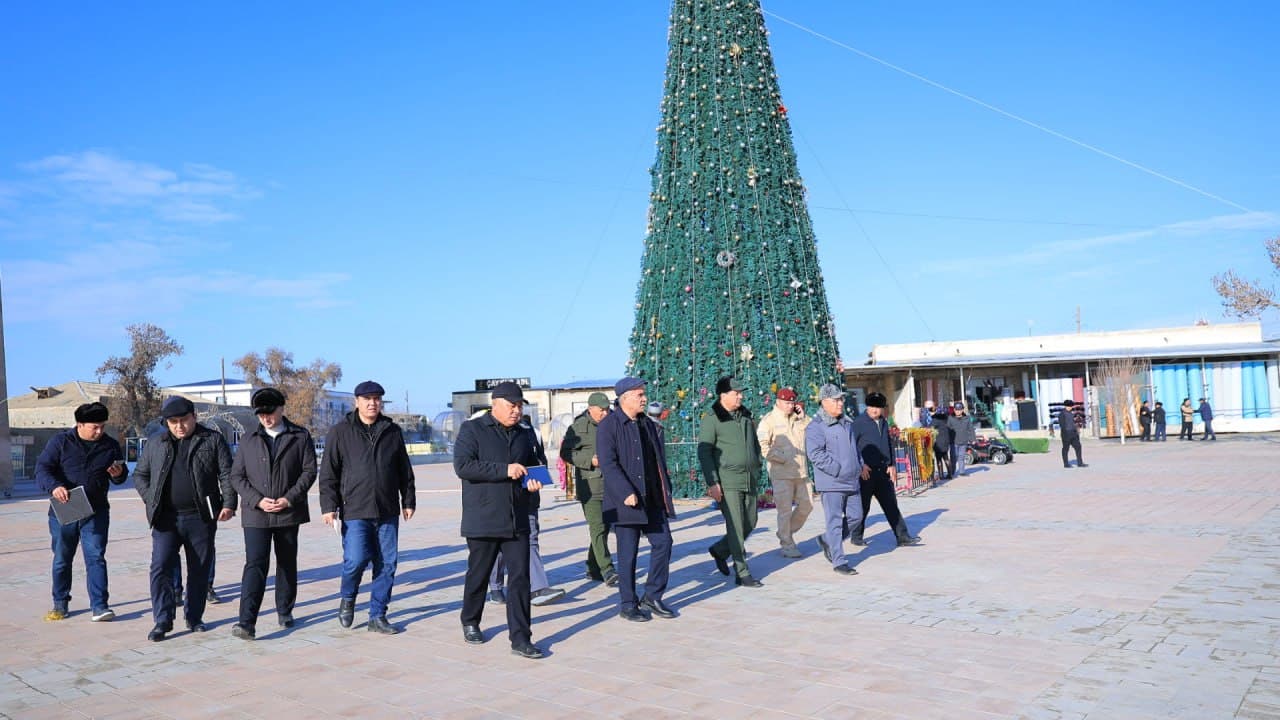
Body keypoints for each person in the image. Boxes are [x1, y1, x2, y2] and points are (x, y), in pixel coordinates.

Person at [453, 381, 547, 660]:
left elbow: (536, 465)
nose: (516, 411)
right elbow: (463, 466)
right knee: (479, 574)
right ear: (495, 404)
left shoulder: (525, 433)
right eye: (511, 406)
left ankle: (521, 637)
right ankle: (470, 619)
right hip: (483, 517)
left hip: (517, 516)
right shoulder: (473, 430)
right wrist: (504, 470)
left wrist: (535, 481)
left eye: (519, 406)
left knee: (520, 578)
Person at [133, 397, 237, 642]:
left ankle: (194, 617)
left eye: (184, 420)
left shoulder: (212, 440)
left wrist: (229, 503)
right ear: (166, 422)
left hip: (200, 517)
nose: (179, 426)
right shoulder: (156, 443)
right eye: (173, 422)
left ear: (194, 417)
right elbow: (140, 474)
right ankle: (162, 620)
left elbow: (226, 473)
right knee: (160, 568)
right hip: (165, 519)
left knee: (199, 569)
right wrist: (151, 499)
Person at [318, 380, 415, 635]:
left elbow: (404, 469)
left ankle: (377, 615)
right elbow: (328, 473)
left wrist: (408, 500)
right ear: (357, 402)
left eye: (376, 398)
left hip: (387, 509)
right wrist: (329, 506)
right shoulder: (341, 431)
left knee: (387, 564)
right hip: (355, 509)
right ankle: (348, 597)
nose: (372, 403)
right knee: (356, 559)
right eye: (367, 399)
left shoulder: (391, 431)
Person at [228, 388, 317, 640]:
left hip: (288, 512)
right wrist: (257, 500)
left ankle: (285, 609)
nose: (266, 418)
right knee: (255, 564)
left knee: (287, 562)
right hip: (256, 514)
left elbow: (309, 472)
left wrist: (289, 498)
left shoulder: (299, 436)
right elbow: (237, 476)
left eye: (270, 412)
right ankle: (246, 622)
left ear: (281, 409)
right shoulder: (248, 439)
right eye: (261, 414)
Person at [36, 402, 128, 622]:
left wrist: (117, 474)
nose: (99, 431)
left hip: (96, 511)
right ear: (79, 424)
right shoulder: (60, 442)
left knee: (96, 557)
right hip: (65, 509)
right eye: (94, 427)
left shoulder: (111, 445)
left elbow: (120, 477)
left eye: (102, 427)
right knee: (62, 558)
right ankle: (60, 604)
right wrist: (55, 487)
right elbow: (42, 469)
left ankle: (100, 606)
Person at [597, 377, 677, 621]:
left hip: (652, 498)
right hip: (626, 501)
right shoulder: (609, 426)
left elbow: (657, 460)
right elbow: (608, 464)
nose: (644, 398)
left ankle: (653, 596)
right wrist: (625, 492)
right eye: (639, 395)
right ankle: (628, 603)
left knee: (664, 543)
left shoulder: (648, 425)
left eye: (644, 393)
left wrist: (665, 489)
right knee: (628, 554)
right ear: (625, 398)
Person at [488, 413, 566, 608]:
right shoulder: (491, 434)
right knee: (499, 543)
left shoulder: (533, 433)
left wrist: (538, 477)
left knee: (531, 539)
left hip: (528, 496)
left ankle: (538, 587)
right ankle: (495, 586)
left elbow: (539, 461)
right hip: (502, 499)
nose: (515, 411)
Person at [698, 376, 764, 587]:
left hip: (749, 478)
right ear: (723, 395)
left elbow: (754, 445)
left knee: (750, 522)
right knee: (735, 525)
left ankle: (720, 550)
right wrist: (713, 482)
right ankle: (742, 571)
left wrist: (758, 464)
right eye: (736, 393)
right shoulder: (712, 418)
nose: (740, 396)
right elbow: (704, 452)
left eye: (740, 393)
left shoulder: (745, 416)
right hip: (728, 480)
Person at [804, 385, 863, 575]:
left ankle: (827, 540)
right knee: (835, 522)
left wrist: (859, 465)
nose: (840, 403)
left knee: (857, 517)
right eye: (836, 400)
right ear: (824, 402)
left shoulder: (846, 422)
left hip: (852, 479)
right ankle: (839, 561)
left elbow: (854, 448)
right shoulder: (816, 427)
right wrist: (836, 469)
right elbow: (815, 454)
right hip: (832, 482)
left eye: (841, 399)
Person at [560, 392, 617, 586]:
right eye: (601, 410)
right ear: (590, 408)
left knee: (605, 528)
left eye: (607, 409)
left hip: (611, 485)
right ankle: (607, 569)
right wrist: (589, 461)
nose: (605, 413)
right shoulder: (578, 427)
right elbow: (565, 453)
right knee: (597, 527)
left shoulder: (612, 424)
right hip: (590, 486)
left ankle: (593, 567)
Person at [850, 392, 921, 547]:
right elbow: (851, 447)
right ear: (867, 407)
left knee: (891, 505)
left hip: (883, 472)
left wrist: (892, 464)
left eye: (879, 407)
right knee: (863, 507)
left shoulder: (883, 422)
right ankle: (856, 535)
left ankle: (902, 536)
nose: (875, 410)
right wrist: (859, 465)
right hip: (866, 472)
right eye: (872, 407)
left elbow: (889, 444)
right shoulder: (858, 423)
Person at [756, 387, 812, 558]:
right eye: (787, 403)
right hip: (781, 474)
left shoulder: (798, 418)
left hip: (801, 473)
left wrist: (803, 418)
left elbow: (813, 432)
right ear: (778, 402)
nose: (790, 406)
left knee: (807, 506)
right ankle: (787, 544)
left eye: (792, 403)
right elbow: (763, 447)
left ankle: (784, 532)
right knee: (785, 511)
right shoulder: (769, 421)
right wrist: (784, 458)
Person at [947, 402, 976, 477]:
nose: (958, 411)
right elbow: (947, 429)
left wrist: (973, 439)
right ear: (954, 410)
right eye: (956, 410)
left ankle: (962, 471)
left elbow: (971, 429)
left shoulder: (967, 418)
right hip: (954, 442)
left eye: (959, 410)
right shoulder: (950, 418)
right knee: (954, 457)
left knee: (961, 457)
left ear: (962, 410)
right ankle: (952, 472)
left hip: (963, 441)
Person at [1058, 399, 1086, 468]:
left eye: (1071, 406)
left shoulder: (1071, 413)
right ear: (1066, 406)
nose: (1070, 407)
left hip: (1074, 434)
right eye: (1069, 406)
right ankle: (1066, 464)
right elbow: (1062, 425)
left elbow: (1074, 423)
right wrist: (1065, 434)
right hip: (1066, 434)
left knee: (1078, 447)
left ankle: (1080, 463)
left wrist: (1076, 431)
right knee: (1065, 449)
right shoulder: (1062, 414)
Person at [931, 411, 954, 481]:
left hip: (938, 442)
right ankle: (950, 474)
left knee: (939, 459)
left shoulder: (935, 420)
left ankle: (941, 475)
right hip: (946, 442)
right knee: (946, 457)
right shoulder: (946, 420)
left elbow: (930, 428)